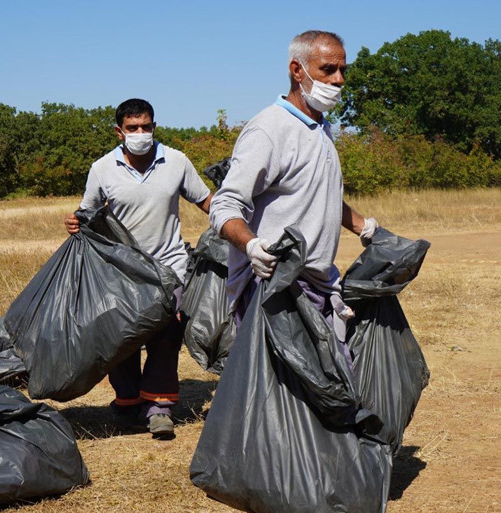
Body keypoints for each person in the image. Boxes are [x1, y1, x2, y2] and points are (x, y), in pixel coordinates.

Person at [208, 30, 379, 348]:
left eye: (343, 70)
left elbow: (317, 195)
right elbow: (225, 205)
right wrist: (252, 246)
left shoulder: (321, 128)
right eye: (328, 69)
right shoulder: (270, 129)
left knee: (324, 388)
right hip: (274, 290)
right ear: (297, 70)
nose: (339, 79)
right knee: (279, 395)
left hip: (318, 284)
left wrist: (364, 227)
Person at [65, 98, 213, 439]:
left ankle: (159, 408)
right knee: (123, 338)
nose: (140, 133)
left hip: (169, 266)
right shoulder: (102, 169)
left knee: (166, 334)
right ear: (120, 132)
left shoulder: (176, 161)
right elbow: (87, 212)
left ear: (154, 127)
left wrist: (235, 223)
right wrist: (75, 221)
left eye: (146, 127)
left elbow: (206, 201)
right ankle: (129, 401)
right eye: (133, 128)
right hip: (122, 271)